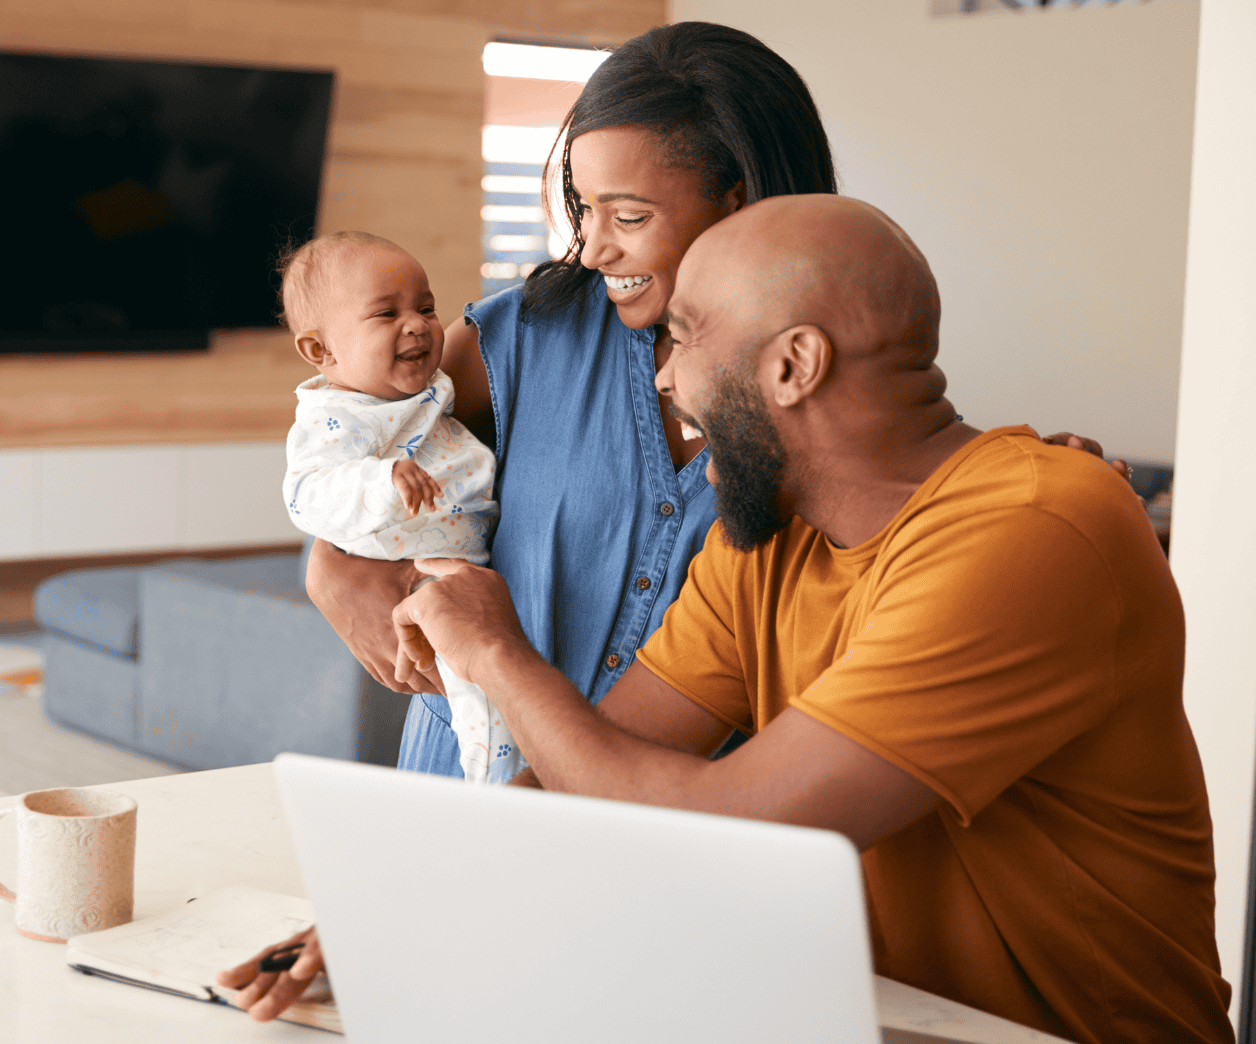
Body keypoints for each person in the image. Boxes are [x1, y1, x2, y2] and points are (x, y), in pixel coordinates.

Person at [219, 22, 1132, 1025]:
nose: (659, 372)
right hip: (582, 852)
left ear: (790, 361)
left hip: (740, 897)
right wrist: (398, 896)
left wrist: (1020, 493)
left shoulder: (971, 526)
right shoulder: (544, 347)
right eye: (581, 206)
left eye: (626, 211)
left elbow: (727, 808)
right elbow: (372, 442)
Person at [384, 195, 1232, 1043]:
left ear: (794, 365)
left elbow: (734, 828)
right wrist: (408, 925)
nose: (663, 375)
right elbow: (601, 783)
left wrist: (496, 650)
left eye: (684, 334)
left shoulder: (1037, 528)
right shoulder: (770, 542)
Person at [279, 230, 520, 784]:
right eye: (386, 314)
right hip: (418, 575)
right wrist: (382, 479)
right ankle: (494, 780)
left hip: (466, 561)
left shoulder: (423, 394)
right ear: (322, 351)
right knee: (476, 683)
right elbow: (307, 494)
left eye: (427, 307)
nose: (417, 324)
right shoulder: (336, 418)